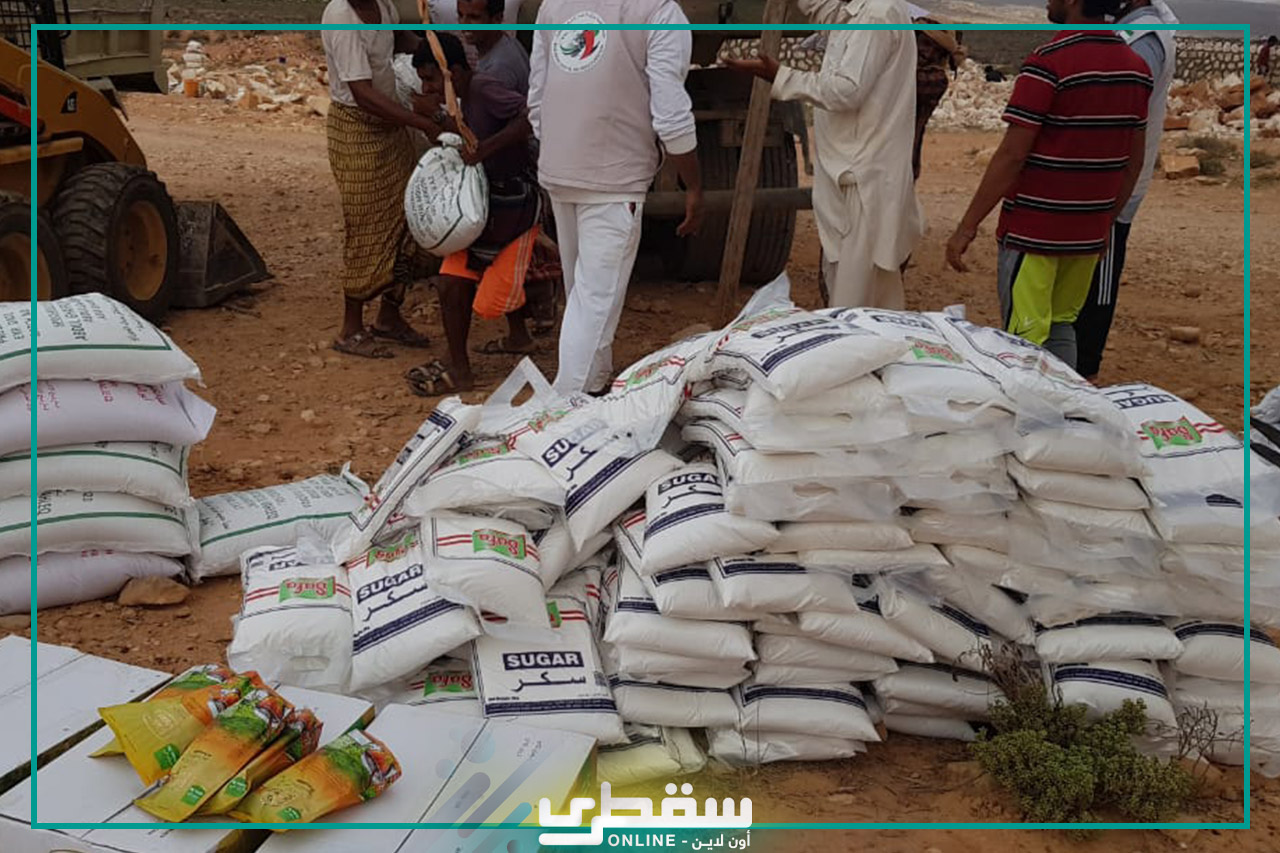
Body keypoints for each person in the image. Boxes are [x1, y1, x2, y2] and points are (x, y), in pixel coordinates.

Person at [945, 0, 1152, 371]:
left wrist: (967, 226)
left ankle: (1031, 407)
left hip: (1034, 233)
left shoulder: (1048, 62)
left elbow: (1012, 155)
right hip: (1087, 234)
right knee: (1061, 326)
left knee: (1024, 340)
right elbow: (1133, 162)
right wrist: (1105, 222)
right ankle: (1065, 403)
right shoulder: (1136, 69)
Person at [529, 0, 704, 397]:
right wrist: (694, 186)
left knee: (583, 295)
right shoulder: (659, 12)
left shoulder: (555, 6)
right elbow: (671, 116)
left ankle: (593, 383)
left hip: (561, 168)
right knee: (594, 301)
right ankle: (564, 404)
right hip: (614, 178)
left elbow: (537, 97)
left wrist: (561, 147)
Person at [727, 0, 923, 310]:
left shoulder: (876, 14)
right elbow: (829, 12)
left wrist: (781, 76)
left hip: (862, 178)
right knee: (864, 297)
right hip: (854, 173)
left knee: (854, 303)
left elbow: (847, 90)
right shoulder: (859, 12)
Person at [403, 34, 540, 395]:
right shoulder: (460, 97)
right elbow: (465, 134)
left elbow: (531, 116)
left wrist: (485, 149)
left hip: (511, 200)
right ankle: (503, 343)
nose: (426, 87)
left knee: (467, 289)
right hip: (488, 199)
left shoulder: (482, 88)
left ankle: (463, 367)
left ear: (455, 72)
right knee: (458, 275)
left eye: (431, 78)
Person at [321, 0, 440, 358]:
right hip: (357, 130)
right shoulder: (341, 17)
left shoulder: (382, 6)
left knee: (407, 221)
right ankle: (350, 328)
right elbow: (362, 94)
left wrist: (438, 50)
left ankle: (389, 316)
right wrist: (419, 121)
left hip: (390, 128)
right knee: (367, 225)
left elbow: (397, 37)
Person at [1071, 0, 1178, 382]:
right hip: (1105, 181)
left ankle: (1084, 373)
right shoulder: (1138, 30)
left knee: (1095, 290)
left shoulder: (1141, 37)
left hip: (1112, 187)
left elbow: (1121, 112)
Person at [912, 20, 964, 181]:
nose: (923, 50)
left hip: (902, 159)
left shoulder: (934, 79)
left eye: (930, 46)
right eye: (922, 42)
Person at [457, 0, 530, 93]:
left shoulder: (498, 71)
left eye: (474, 17)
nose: (464, 24)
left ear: (497, 19)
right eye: (460, 15)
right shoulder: (507, 42)